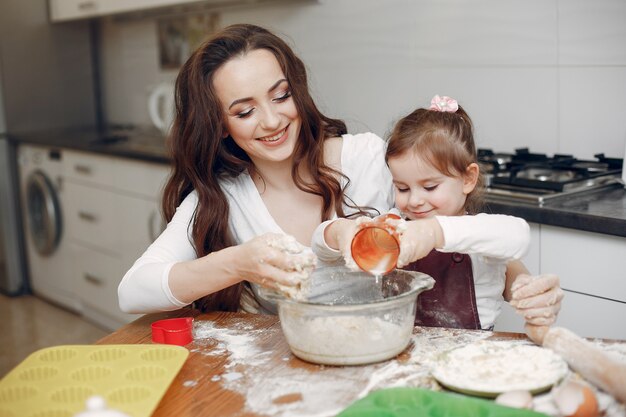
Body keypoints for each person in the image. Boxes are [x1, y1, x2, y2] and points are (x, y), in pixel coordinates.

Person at [117, 24, 395, 314]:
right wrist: (238, 263)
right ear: (220, 126)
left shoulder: (367, 159)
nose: (272, 121)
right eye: (245, 112)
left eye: (281, 96)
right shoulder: (222, 198)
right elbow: (132, 292)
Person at [312, 95, 564, 330]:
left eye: (430, 186)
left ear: (468, 179)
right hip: (402, 355)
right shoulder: (394, 228)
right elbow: (319, 246)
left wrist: (434, 232)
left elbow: (518, 235)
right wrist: (340, 232)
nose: (415, 200)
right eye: (402, 187)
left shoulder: (481, 235)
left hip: (468, 360)